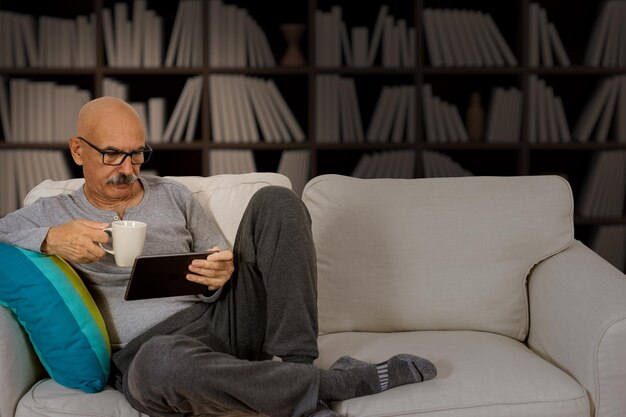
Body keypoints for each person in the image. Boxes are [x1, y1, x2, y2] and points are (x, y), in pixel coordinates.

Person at [0, 96, 436, 417]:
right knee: (161, 365)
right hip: (147, 352)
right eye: (112, 154)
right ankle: (330, 385)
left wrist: (219, 272)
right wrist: (51, 238)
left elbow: (218, 256)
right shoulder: (51, 211)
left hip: (220, 320)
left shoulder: (172, 195)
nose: (128, 169)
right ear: (79, 151)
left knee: (276, 201)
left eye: (136, 154)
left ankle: (299, 369)